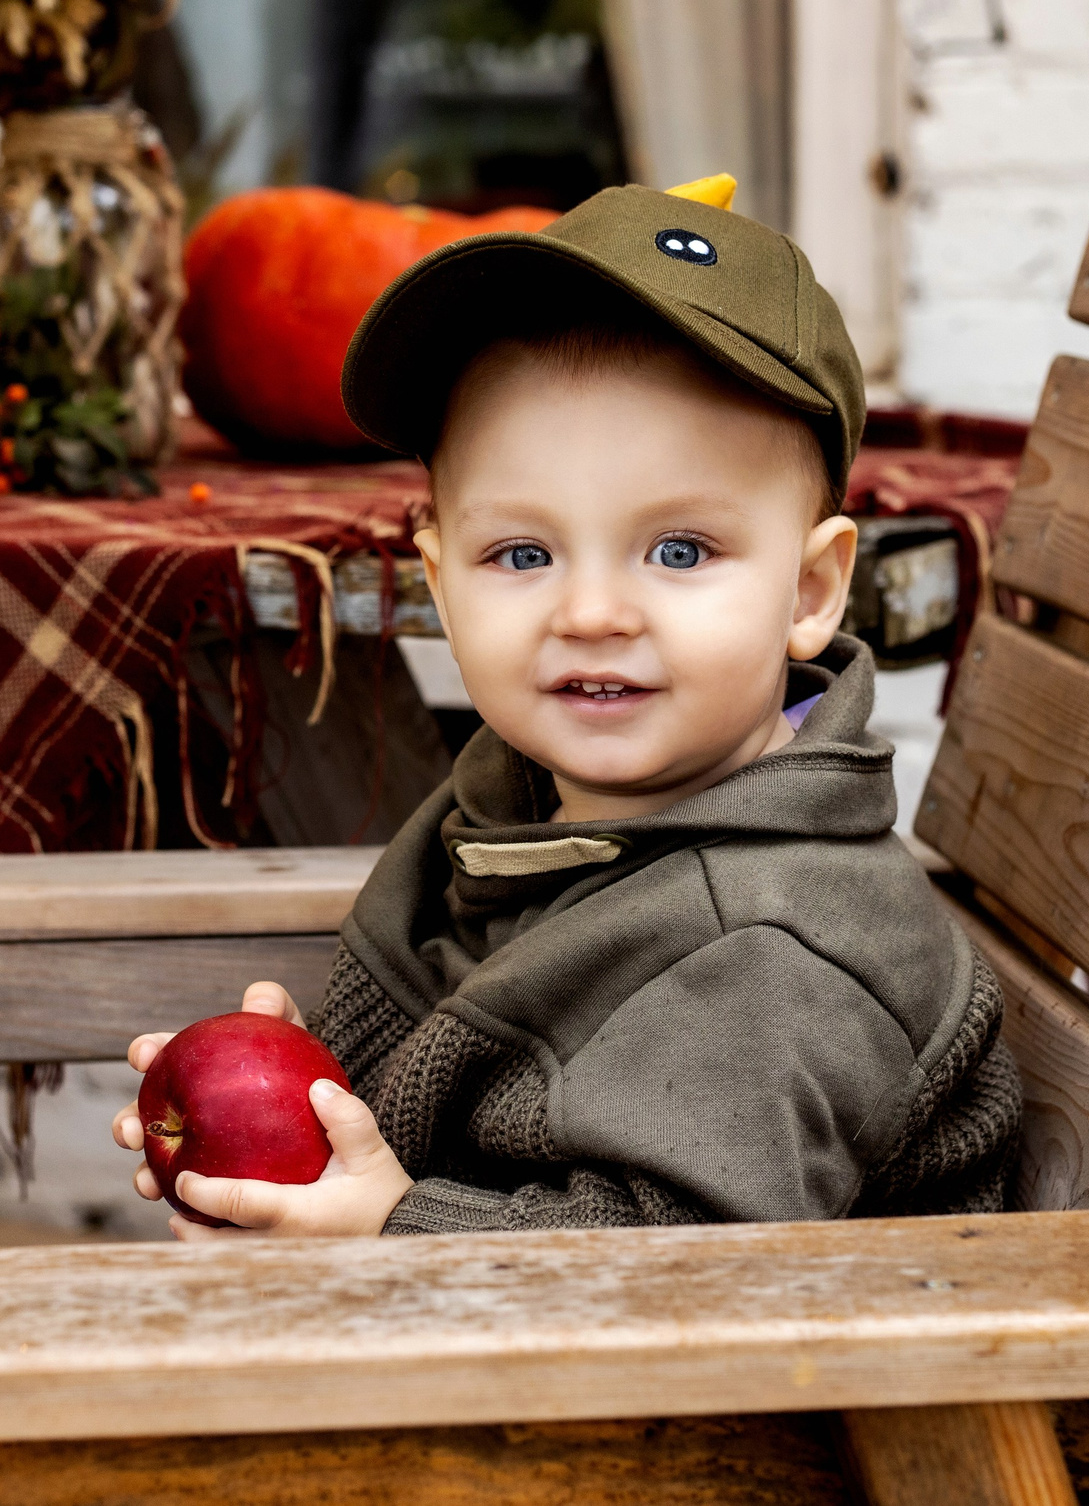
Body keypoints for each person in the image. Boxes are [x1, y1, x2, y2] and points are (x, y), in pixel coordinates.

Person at [110, 177, 1020, 1238]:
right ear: (441, 587)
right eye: (523, 553)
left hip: (801, 1384)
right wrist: (312, 1098)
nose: (590, 612)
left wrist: (392, 1235)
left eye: (679, 550)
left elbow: (680, 1279)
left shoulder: (779, 953)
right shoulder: (527, 799)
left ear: (810, 593)